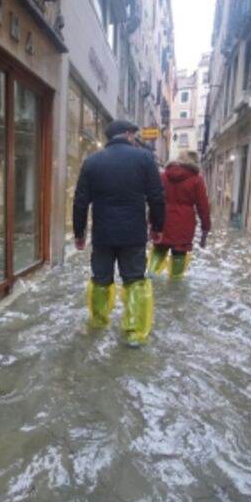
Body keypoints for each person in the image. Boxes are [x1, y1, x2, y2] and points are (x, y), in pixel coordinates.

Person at [74, 119, 165, 347]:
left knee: (101, 279)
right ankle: (134, 332)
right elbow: (156, 197)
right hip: (133, 233)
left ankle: (98, 322)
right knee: (135, 280)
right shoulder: (144, 159)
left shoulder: (92, 162)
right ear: (127, 134)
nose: (135, 138)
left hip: (103, 233)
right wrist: (158, 227)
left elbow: (80, 201)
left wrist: (79, 232)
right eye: (134, 134)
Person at [149, 150, 212, 279]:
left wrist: (151, 222)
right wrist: (205, 228)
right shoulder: (197, 180)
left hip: (162, 220)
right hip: (184, 223)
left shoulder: (163, 176)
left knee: (159, 250)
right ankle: (175, 287)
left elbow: (154, 200)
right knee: (179, 253)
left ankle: (151, 278)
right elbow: (203, 206)